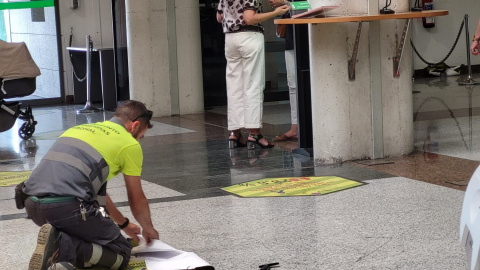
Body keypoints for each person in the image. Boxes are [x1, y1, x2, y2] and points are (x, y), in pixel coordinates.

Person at [19, 100, 159, 270]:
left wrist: (124, 224)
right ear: (135, 126)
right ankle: (62, 246)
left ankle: (60, 246)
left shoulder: (77, 129)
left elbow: (99, 196)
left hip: (32, 205)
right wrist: (148, 228)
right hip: (66, 209)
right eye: (140, 136)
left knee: (93, 244)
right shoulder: (129, 144)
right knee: (122, 254)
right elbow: (136, 198)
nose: (139, 141)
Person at [217, 0, 289, 149]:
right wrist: (276, 13)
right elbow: (249, 18)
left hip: (230, 39)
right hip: (249, 36)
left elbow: (219, 17)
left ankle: (234, 133)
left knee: (234, 88)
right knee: (253, 84)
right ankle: (254, 134)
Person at [270, 0, 298, 142]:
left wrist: (286, 2)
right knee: (292, 85)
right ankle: (295, 127)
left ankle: (309, 125)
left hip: (309, 37)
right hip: (292, 37)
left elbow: (308, 5)